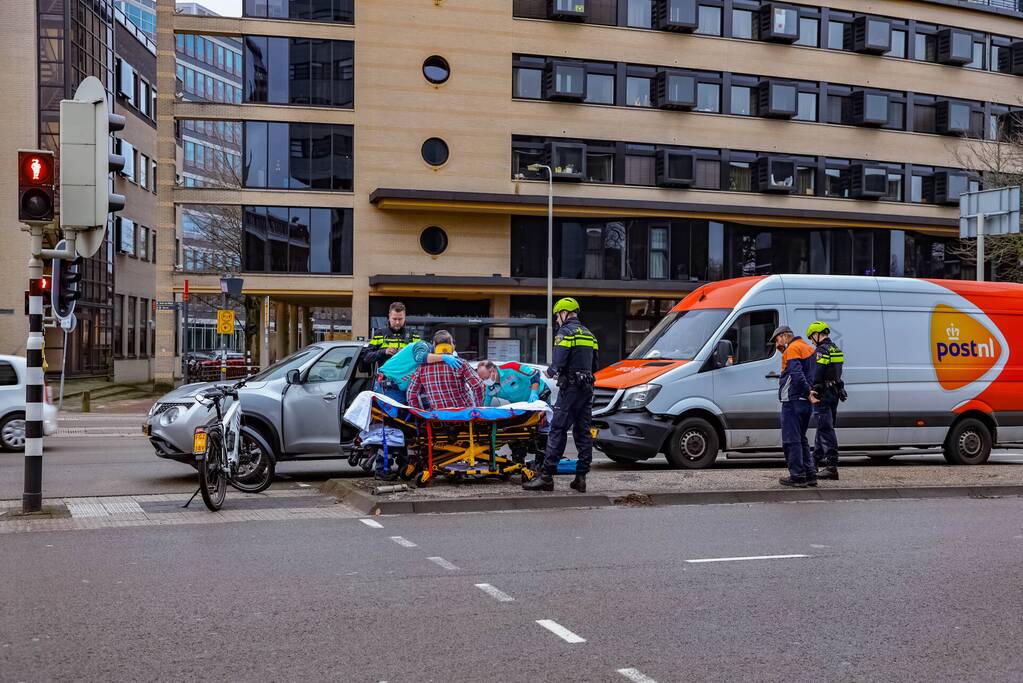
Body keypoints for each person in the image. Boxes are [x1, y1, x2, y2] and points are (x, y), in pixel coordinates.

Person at [523, 297, 599, 494]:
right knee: (583, 432)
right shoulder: (590, 335)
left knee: (557, 430)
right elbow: (595, 366)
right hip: (586, 389)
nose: (557, 319)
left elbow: (557, 363)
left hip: (570, 389)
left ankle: (546, 477)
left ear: (564, 313)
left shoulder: (565, 332)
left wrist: (547, 373)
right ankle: (581, 478)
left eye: (558, 315)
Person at [771, 324, 817, 488]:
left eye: (777, 339)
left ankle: (797, 475)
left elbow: (796, 374)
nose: (777, 343)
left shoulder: (792, 349)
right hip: (804, 403)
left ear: (784, 336)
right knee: (802, 439)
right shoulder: (807, 347)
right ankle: (810, 474)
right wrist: (809, 393)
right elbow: (804, 370)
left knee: (791, 440)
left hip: (793, 401)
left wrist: (806, 392)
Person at [406, 330, 485, 411]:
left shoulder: (422, 368)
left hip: (438, 418)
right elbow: (478, 386)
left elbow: (411, 394)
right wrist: (479, 409)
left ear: (434, 346)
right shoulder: (460, 363)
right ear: (451, 345)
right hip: (463, 415)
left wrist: (420, 414)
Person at [807, 321, 846, 481]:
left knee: (826, 429)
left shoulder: (821, 351)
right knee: (823, 427)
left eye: (811, 338)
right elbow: (837, 373)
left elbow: (818, 373)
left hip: (823, 393)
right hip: (834, 392)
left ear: (817, 335)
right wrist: (841, 387)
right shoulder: (836, 349)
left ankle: (831, 466)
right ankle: (814, 462)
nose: (811, 341)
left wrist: (814, 390)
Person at [363, 302, 421, 371]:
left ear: (404, 317)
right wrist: (384, 352)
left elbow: (422, 357)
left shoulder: (414, 335)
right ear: (389, 316)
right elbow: (366, 357)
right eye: (394, 319)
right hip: (384, 379)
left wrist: (407, 353)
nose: (397, 322)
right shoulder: (380, 334)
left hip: (407, 379)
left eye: (400, 319)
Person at [477, 360, 544, 406]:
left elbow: (535, 375)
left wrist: (534, 393)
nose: (485, 381)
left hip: (541, 394)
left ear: (492, 370)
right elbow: (486, 405)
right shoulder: (490, 389)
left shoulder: (512, 367)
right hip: (524, 406)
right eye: (482, 379)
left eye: (486, 377)